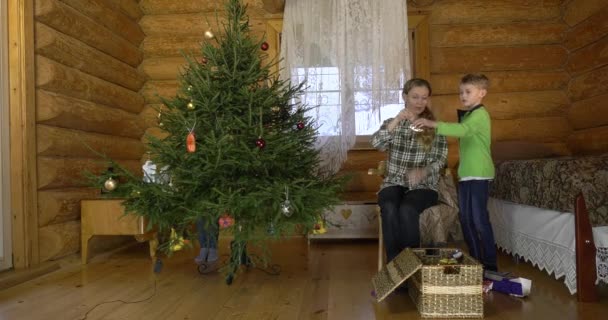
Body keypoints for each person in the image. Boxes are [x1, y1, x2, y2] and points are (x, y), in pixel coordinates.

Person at [413, 73, 497, 271]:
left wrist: (432, 124)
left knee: (479, 220)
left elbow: (463, 130)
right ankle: (476, 261)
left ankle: (491, 265)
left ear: (482, 93)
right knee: (466, 220)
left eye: (468, 91)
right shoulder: (469, 115)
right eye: (461, 92)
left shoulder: (479, 115)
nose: (463, 95)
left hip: (479, 174)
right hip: (467, 175)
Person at [371, 78, 448, 264]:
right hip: (394, 183)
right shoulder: (393, 123)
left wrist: (424, 171)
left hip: (424, 186)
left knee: (407, 209)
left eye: (424, 98)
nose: (420, 102)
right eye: (415, 97)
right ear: (405, 96)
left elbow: (440, 160)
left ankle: (409, 266)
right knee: (389, 207)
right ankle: (394, 266)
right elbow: (377, 143)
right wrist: (397, 119)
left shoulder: (433, 127)